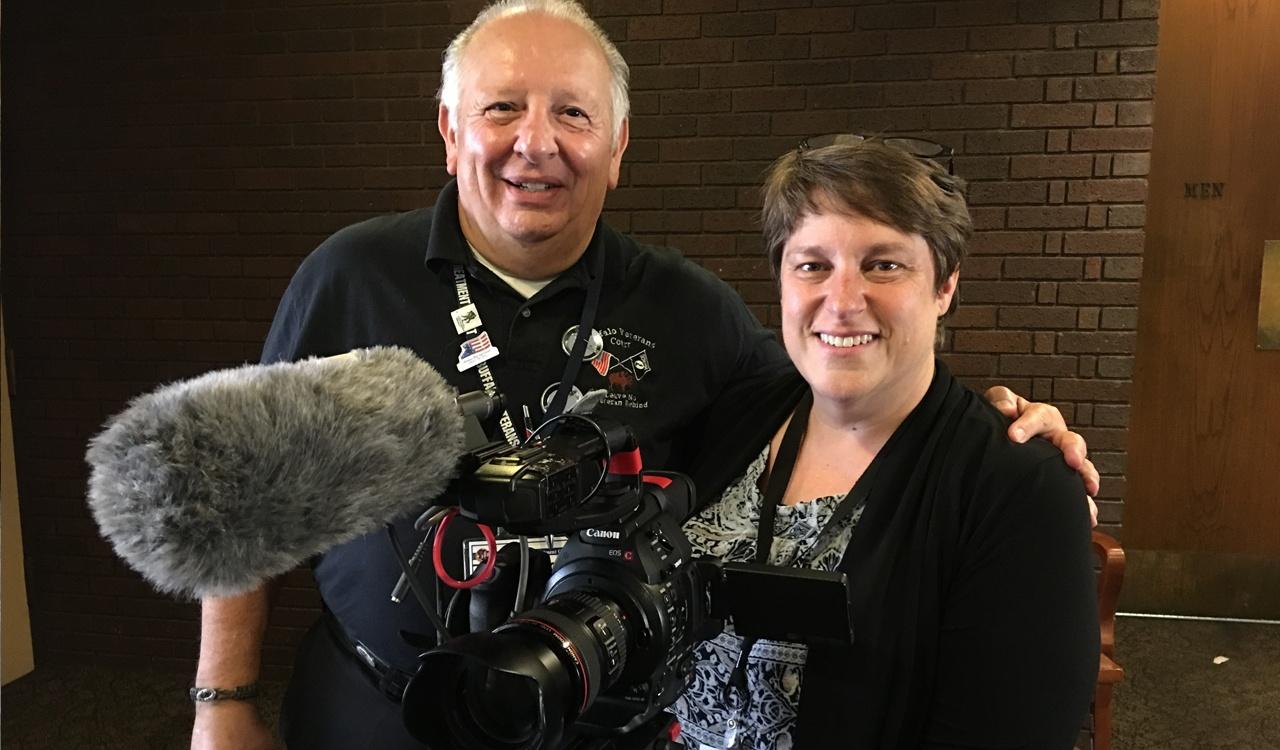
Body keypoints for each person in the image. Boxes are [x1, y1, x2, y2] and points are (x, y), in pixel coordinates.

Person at [188, 3, 1098, 749]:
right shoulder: (347, 278)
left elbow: (852, 391)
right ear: (449, 129)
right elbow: (245, 495)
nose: (535, 143)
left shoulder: (690, 309)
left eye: (573, 113)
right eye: (503, 106)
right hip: (378, 709)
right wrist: (223, 699)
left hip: (602, 719)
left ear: (618, 146)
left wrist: (1006, 425)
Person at [671, 139, 1099, 749]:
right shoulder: (736, 415)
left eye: (884, 264)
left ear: (945, 284)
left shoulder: (1017, 492)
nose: (843, 302)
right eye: (812, 265)